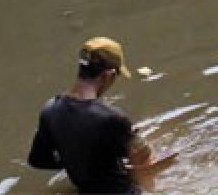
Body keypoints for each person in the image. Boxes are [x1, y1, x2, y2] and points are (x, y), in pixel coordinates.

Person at [29, 37, 152, 194]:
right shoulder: (112, 118)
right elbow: (142, 157)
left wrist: (72, 158)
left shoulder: (50, 109)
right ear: (109, 75)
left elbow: (38, 160)